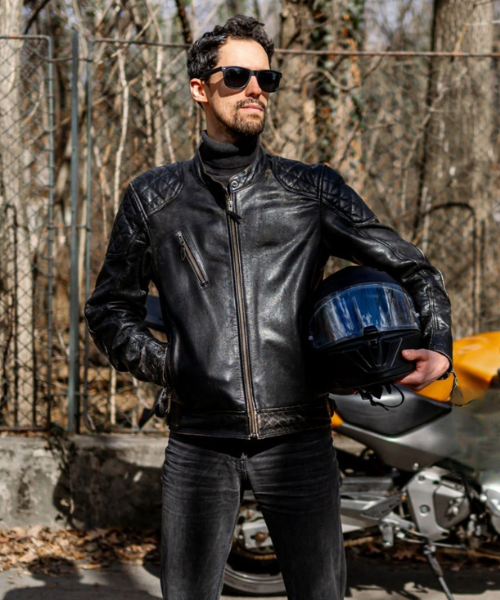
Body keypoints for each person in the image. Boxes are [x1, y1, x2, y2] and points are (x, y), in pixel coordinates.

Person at [85, 14, 452, 600]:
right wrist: (169, 364)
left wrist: (438, 345)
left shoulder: (312, 190)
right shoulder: (153, 199)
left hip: (300, 439)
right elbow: (109, 309)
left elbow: (413, 267)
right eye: (237, 76)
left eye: (266, 78)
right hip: (198, 441)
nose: (255, 88)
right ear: (200, 88)